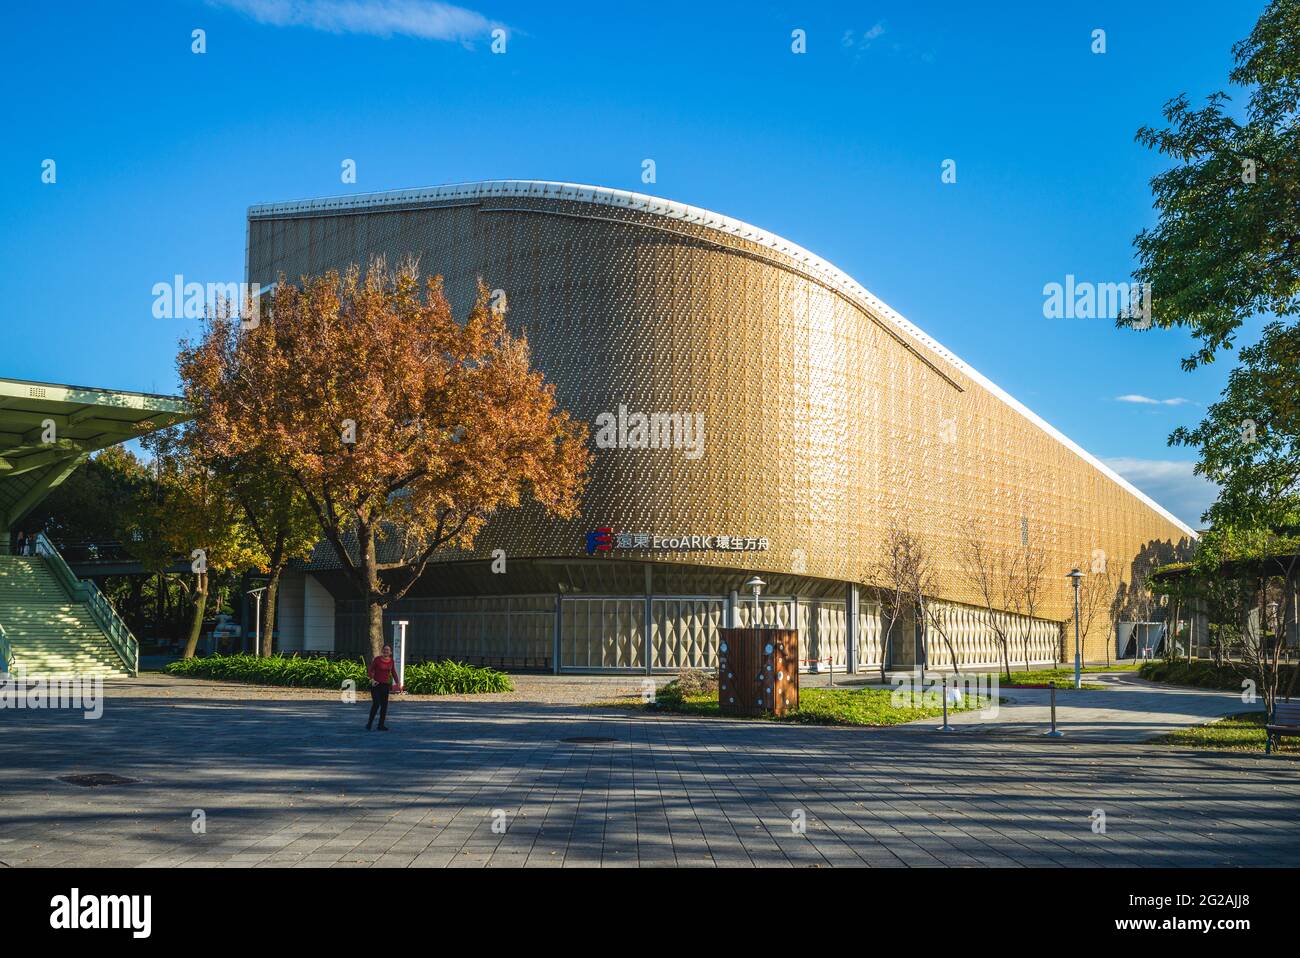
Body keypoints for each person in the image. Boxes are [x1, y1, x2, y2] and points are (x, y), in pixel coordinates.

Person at [366, 644, 401, 731]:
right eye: (385, 649)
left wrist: (398, 683)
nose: (386, 651)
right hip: (376, 685)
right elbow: (370, 670)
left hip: (385, 685)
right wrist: (372, 680)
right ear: (382, 651)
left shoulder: (391, 661)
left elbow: (393, 672)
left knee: (384, 706)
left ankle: (381, 725)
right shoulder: (377, 659)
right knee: (376, 703)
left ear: (390, 652)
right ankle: (369, 723)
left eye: (388, 650)